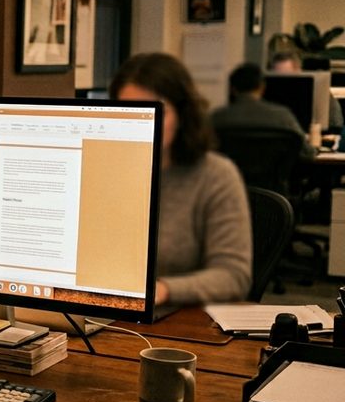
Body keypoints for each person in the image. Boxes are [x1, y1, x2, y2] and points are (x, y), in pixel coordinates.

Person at [110, 53, 252, 306]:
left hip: (179, 319)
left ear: (182, 115)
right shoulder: (108, 170)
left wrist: (162, 290)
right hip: (105, 313)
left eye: (156, 113)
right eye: (130, 113)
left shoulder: (216, 176)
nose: (143, 124)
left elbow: (233, 276)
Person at [212, 63, 316, 160]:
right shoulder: (282, 116)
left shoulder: (217, 118)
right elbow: (308, 153)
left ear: (233, 89)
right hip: (273, 179)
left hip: (230, 178)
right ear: (262, 87)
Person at [268, 49, 344, 130]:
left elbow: (336, 126)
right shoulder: (268, 94)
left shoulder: (318, 92)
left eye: (288, 77)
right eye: (277, 77)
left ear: (299, 72)